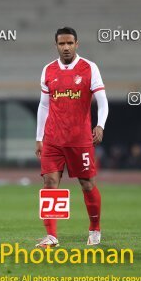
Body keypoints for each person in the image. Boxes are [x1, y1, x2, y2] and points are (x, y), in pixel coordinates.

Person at [35, 27, 109, 247]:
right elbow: (43, 105)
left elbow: (103, 101)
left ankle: (95, 228)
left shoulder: (89, 68)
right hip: (53, 139)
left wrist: (100, 125)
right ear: (56, 45)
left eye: (69, 43)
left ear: (77, 44)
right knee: (50, 183)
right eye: (61, 44)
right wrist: (39, 136)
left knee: (87, 184)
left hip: (79, 139)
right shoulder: (48, 70)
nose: (65, 47)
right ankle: (52, 236)